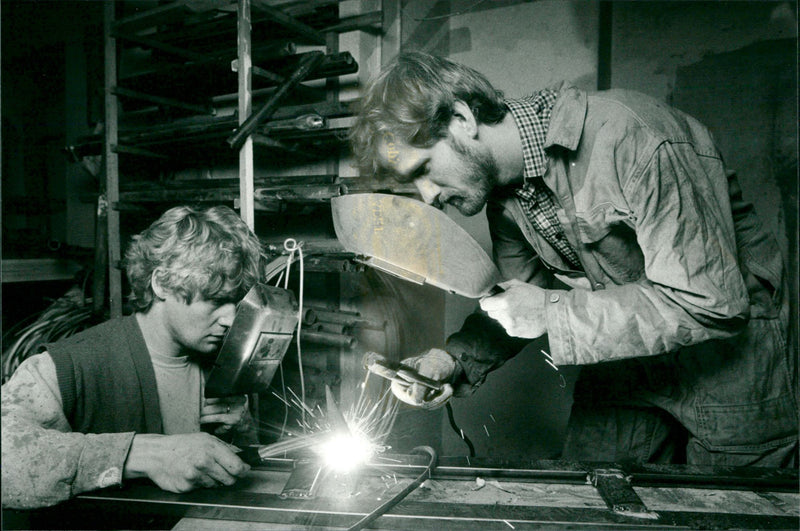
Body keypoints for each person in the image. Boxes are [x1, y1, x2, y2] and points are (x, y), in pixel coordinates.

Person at [349, 51, 797, 467]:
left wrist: (549, 311)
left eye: (423, 170)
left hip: (732, 366)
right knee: (590, 494)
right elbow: (518, 300)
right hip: (626, 363)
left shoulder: (633, 137)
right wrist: (452, 361)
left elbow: (708, 301)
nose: (428, 197)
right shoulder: (505, 195)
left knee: (733, 512)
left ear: (463, 118)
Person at [2, 205, 263, 509]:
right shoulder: (69, 366)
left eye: (235, 303)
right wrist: (143, 454)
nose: (231, 320)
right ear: (162, 284)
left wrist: (235, 431)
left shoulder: (217, 362)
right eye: (216, 300)